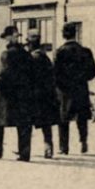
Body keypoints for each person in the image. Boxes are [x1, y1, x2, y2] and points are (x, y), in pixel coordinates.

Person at [0, 26, 35, 161]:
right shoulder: (26, 54)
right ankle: (24, 153)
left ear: (9, 38)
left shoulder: (6, 54)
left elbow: (2, 74)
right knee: (24, 124)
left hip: (5, 93)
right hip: (23, 93)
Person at [54, 23, 95, 155]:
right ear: (76, 33)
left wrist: (63, 83)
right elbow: (94, 71)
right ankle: (83, 141)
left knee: (63, 119)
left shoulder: (60, 52)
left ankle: (63, 147)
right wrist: (81, 78)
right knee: (82, 117)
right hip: (81, 89)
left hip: (65, 90)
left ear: (63, 35)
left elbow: (55, 73)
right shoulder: (85, 51)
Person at [27, 30, 59, 159]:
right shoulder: (45, 57)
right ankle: (48, 147)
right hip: (46, 95)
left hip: (33, 95)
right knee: (46, 124)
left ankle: (24, 149)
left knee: (27, 123)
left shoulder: (31, 58)